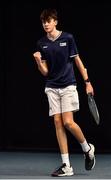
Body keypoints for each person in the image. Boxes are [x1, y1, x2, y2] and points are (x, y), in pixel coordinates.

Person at [33, 8, 95, 177]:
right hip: (52, 87)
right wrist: (38, 62)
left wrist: (87, 82)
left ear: (55, 22)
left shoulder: (68, 38)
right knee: (58, 123)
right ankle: (66, 165)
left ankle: (87, 148)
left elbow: (78, 61)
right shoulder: (41, 43)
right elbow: (45, 72)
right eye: (43, 21)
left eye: (49, 20)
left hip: (68, 85)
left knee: (68, 122)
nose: (46, 24)